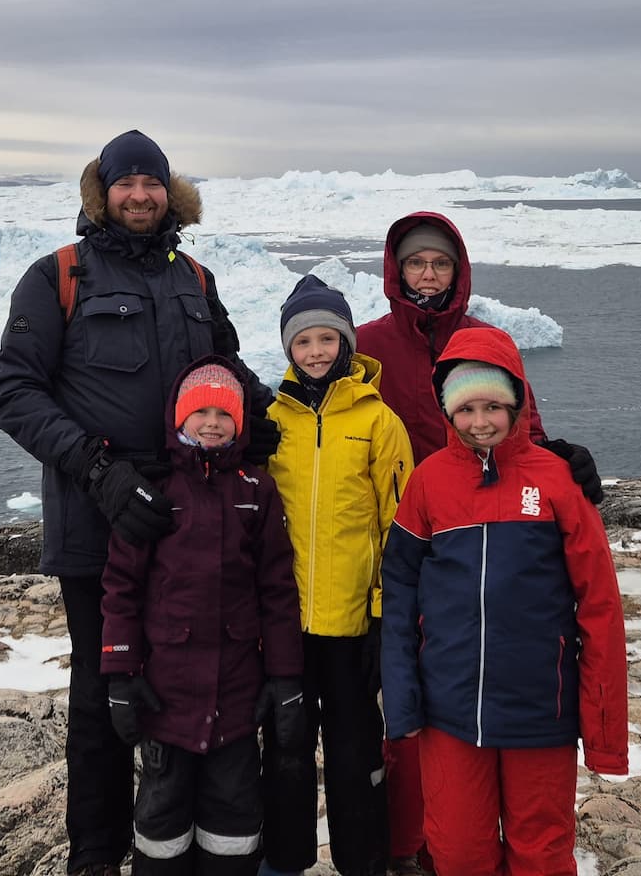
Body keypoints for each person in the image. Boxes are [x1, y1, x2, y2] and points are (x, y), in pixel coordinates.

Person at [0, 130, 278, 876]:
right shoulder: (58, 276)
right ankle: (95, 853)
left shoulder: (196, 278)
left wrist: (267, 411)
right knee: (103, 691)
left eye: (152, 183)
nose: (140, 196)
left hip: (196, 520)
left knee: (198, 678)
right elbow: (12, 390)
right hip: (100, 519)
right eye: (126, 184)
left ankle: (182, 839)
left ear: (169, 194)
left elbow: (226, 364)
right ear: (102, 193)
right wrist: (99, 469)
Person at [354, 212, 602, 870]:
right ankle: (414, 848)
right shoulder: (370, 345)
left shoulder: (484, 339)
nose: (428, 274)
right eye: (417, 263)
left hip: (490, 531)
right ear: (396, 271)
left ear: (458, 273)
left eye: (440, 264)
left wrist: (562, 461)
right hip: (407, 532)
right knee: (415, 719)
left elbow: (526, 430)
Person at [381, 327, 628, 876]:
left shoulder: (557, 481)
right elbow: (397, 593)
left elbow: (600, 607)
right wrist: (403, 702)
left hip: (541, 709)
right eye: (466, 408)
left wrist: (605, 733)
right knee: (457, 854)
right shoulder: (429, 483)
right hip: (449, 712)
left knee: (541, 854)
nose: (480, 422)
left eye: (494, 405)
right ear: (447, 411)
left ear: (516, 402)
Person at [100, 357, 304, 875]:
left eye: (224, 413)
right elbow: (122, 587)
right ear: (179, 420)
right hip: (166, 695)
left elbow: (276, 590)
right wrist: (120, 676)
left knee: (234, 818)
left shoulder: (257, 492)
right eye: (201, 411)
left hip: (237, 695)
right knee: (162, 817)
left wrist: (285, 680)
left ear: (240, 422)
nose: (212, 422)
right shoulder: (155, 493)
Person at [260, 276, 414, 876]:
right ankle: (285, 861)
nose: (317, 352)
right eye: (304, 342)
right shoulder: (272, 422)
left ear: (348, 344)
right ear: (289, 350)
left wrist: (385, 612)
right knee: (287, 750)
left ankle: (364, 860)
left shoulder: (380, 423)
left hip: (354, 624)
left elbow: (398, 528)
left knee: (354, 754)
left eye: (328, 339)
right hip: (287, 625)